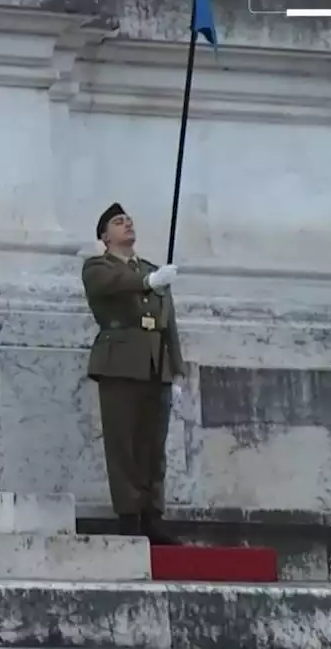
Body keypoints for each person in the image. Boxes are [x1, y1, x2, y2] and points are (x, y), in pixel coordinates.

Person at [81, 202, 184, 546]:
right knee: (123, 444)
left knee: (153, 446)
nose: (127, 225)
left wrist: (177, 368)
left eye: (129, 220)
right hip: (120, 363)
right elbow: (114, 285)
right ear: (104, 236)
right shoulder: (98, 267)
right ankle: (128, 516)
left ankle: (153, 514)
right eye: (117, 222)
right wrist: (148, 281)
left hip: (157, 365)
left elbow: (168, 322)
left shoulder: (153, 271)